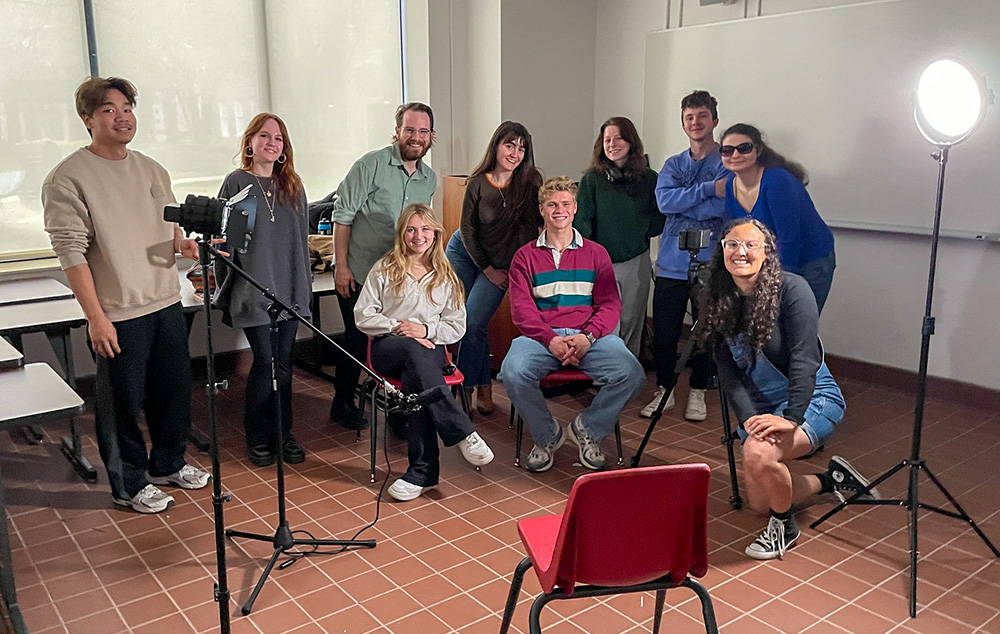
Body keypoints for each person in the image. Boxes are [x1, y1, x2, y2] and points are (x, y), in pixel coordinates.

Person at [42, 76, 210, 514]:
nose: (122, 117)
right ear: (87, 119)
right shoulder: (68, 178)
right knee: (121, 406)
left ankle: (168, 464)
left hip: (166, 300)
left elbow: (168, 227)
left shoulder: (153, 169)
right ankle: (129, 484)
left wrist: (183, 245)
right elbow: (71, 254)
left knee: (173, 392)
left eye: (127, 108)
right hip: (118, 311)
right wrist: (96, 317)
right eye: (109, 110)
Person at [699, 218, 876, 560]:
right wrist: (751, 420)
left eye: (751, 245)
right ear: (722, 251)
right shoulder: (718, 299)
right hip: (763, 405)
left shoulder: (792, 289)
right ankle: (832, 479)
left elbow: (804, 359)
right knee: (760, 503)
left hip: (812, 399)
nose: (741, 252)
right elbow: (730, 377)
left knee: (758, 453)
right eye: (732, 244)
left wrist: (792, 417)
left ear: (767, 252)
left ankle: (784, 528)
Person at [501, 177, 645, 472]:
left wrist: (588, 337)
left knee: (631, 373)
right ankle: (546, 435)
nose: (559, 210)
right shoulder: (524, 257)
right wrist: (549, 339)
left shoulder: (596, 253)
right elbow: (522, 310)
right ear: (541, 210)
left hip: (588, 338)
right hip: (541, 339)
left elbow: (609, 305)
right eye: (552, 204)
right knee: (511, 372)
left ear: (575, 208)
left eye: (566, 203)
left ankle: (588, 429)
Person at [355, 204, 495, 501]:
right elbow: (363, 316)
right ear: (402, 233)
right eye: (411, 229)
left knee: (415, 378)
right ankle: (462, 431)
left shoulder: (446, 276)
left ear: (435, 233)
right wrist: (399, 327)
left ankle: (422, 473)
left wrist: (426, 331)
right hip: (388, 348)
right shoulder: (384, 268)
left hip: (431, 350)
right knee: (410, 350)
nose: (419, 236)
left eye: (425, 229)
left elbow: (456, 327)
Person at [330, 103, 437, 433]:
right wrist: (342, 266)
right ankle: (342, 403)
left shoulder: (429, 179)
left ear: (431, 136)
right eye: (409, 130)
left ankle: (397, 410)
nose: (416, 137)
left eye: (423, 131)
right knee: (357, 341)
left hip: (400, 280)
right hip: (361, 271)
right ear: (397, 132)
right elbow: (343, 217)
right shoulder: (370, 165)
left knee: (398, 343)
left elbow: (420, 229)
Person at [213, 113, 311, 467]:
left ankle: (283, 435)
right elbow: (230, 245)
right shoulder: (237, 183)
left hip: (289, 292)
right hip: (254, 289)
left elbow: (301, 245)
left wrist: (303, 292)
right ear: (250, 141)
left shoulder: (292, 186)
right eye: (265, 136)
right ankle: (257, 437)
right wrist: (227, 287)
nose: (272, 143)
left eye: (279, 138)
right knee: (265, 362)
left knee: (284, 365)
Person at [445, 121, 542, 416]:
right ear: (496, 146)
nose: (515, 153)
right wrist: (486, 269)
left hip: (501, 262)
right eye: (509, 145)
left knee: (473, 322)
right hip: (464, 252)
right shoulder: (478, 182)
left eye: (521, 148)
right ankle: (480, 383)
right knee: (462, 320)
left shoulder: (530, 183)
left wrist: (517, 272)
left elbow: (531, 233)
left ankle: (463, 388)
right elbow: (467, 229)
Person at [645, 90, 730, 421]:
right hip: (670, 264)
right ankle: (664, 390)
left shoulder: (726, 162)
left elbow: (723, 206)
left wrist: (685, 200)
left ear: (714, 120)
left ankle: (698, 391)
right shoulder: (673, 164)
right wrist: (706, 190)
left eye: (702, 116)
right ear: (683, 123)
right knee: (665, 332)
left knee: (707, 331)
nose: (696, 122)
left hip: (711, 264)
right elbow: (665, 203)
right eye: (689, 117)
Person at [720, 123, 836, 313]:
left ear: (758, 151)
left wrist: (777, 287)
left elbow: (789, 239)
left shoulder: (777, 181)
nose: (735, 155)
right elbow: (739, 236)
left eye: (744, 148)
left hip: (811, 260)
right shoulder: (730, 186)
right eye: (727, 150)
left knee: (798, 327)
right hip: (772, 261)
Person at [574, 117, 662, 359]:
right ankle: (606, 369)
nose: (612, 144)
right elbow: (582, 222)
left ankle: (629, 370)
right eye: (607, 140)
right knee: (607, 322)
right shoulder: (592, 179)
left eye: (618, 138)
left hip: (637, 260)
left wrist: (640, 233)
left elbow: (659, 217)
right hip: (602, 263)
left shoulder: (650, 179)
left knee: (633, 319)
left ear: (631, 141)